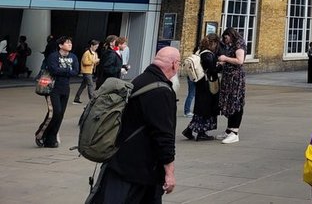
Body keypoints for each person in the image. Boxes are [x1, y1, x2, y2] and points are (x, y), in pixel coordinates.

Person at [86, 47, 180, 203]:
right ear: (174, 64)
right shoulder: (161, 91)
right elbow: (163, 134)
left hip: (121, 160)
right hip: (141, 169)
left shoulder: (140, 80)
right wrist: (169, 171)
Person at [35, 35, 79, 148]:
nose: (70, 44)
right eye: (67, 43)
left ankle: (51, 138)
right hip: (52, 88)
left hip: (65, 88)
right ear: (60, 45)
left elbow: (75, 71)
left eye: (71, 43)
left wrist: (63, 71)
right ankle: (41, 134)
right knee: (55, 112)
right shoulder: (53, 56)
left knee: (60, 115)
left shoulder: (73, 57)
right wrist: (67, 71)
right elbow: (53, 69)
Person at [182, 34, 220, 141]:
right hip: (207, 85)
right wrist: (220, 66)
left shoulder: (199, 51)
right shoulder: (208, 55)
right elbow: (212, 70)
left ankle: (189, 130)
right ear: (213, 43)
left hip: (200, 83)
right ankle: (201, 133)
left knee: (199, 109)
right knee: (206, 109)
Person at [217, 27, 247, 144]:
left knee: (235, 102)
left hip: (235, 79)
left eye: (226, 38)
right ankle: (229, 130)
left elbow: (240, 61)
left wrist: (225, 58)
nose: (226, 41)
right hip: (229, 78)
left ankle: (234, 132)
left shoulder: (239, 43)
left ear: (230, 35)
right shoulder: (232, 44)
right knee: (229, 102)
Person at [74, 39, 100, 103]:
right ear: (92, 45)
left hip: (90, 71)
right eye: (96, 46)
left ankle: (76, 98)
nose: (96, 48)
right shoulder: (87, 53)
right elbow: (85, 62)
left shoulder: (95, 53)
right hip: (86, 71)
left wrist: (97, 62)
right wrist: (94, 61)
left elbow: (95, 63)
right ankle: (91, 99)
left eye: (97, 47)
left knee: (83, 85)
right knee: (90, 85)